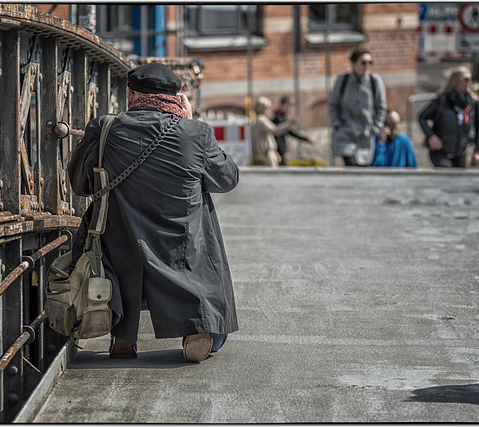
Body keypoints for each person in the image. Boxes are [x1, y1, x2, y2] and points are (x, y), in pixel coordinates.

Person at [67, 62, 239, 363]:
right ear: (177, 98)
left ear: (131, 95)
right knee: (201, 211)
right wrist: (191, 121)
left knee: (122, 227)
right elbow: (226, 179)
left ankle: (123, 338)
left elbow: (80, 184)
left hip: (119, 245)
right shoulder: (195, 133)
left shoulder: (104, 128)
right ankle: (197, 328)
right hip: (180, 246)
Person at [328, 47, 387, 166]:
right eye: (363, 63)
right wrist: (337, 124)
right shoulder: (343, 79)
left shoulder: (375, 81)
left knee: (362, 168)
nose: (367, 66)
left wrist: (375, 128)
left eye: (370, 63)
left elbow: (381, 107)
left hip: (365, 134)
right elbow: (333, 104)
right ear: (354, 63)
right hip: (346, 132)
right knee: (351, 166)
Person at [418, 66, 479, 168]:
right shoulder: (443, 100)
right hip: (441, 151)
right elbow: (422, 117)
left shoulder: (473, 103)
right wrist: (430, 136)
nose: (469, 82)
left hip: (460, 152)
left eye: (471, 79)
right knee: (446, 174)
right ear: (456, 81)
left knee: (458, 180)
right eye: (466, 79)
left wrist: (478, 150)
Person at [272, 96, 314, 166]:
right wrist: (282, 152)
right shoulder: (278, 118)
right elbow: (277, 136)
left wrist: (306, 139)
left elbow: (290, 132)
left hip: (281, 153)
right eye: (287, 105)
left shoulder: (282, 117)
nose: (289, 108)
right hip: (278, 153)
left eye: (291, 106)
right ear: (281, 105)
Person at [251, 96, 292, 167]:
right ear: (262, 108)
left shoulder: (264, 119)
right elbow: (275, 130)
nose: (270, 110)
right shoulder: (261, 119)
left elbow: (270, 138)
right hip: (265, 154)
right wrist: (288, 124)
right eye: (268, 107)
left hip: (269, 152)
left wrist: (276, 153)